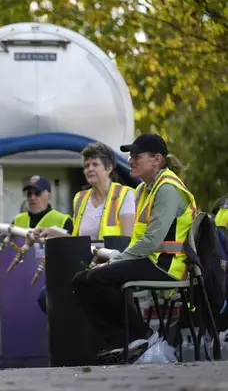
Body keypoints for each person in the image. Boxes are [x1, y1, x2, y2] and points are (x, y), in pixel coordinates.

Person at [71, 133, 197, 364]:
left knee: (97, 280)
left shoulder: (168, 189)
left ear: (157, 160)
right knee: (81, 280)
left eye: (137, 156)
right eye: (130, 156)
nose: (130, 161)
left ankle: (140, 338)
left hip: (167, 266)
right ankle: (132, 340)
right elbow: (140, 241)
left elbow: (150, 242)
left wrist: (115, 261)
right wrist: (114, 260)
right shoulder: (144, 189)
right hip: (149, 261)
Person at [31, 142, 136, 314]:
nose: (89, 169)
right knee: (45, 297)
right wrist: (53, 232)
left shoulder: (125, 195)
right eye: (86, 165)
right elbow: (77, 240)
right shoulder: (80, 198)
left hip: (112, 265)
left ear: (109, 168)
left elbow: (126, 240)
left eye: (95, 164)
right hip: (84, 265)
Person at [0, 175, 72, 327]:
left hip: (49, 282)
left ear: (49, 195)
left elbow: (71, 249)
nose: (32, 198)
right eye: (29, 194)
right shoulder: (18, 220)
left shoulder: (64, 220)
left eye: (37, 193)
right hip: (19, 284)